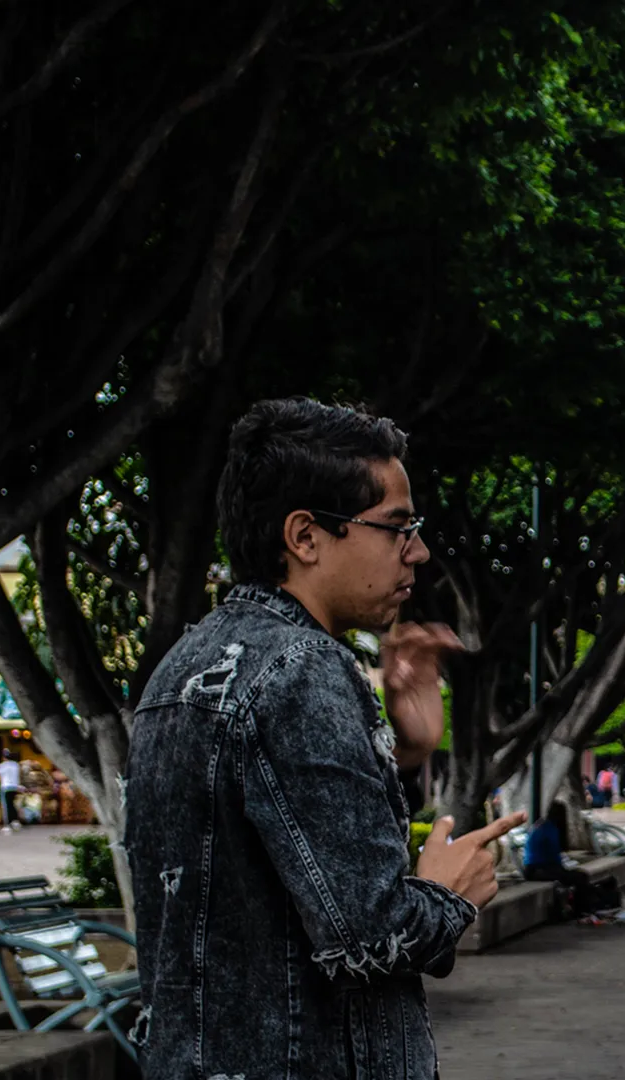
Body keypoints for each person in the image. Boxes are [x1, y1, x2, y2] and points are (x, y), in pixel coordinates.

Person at [123, 398, 525, 1080]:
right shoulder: (303, 667)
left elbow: (268, 860)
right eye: (397, 527)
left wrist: (403, 754)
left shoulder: (185, 666)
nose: (418, 552)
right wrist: (448, 894)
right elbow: (368, 937)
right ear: (305, 537)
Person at [0, 751, 22, 833]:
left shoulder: (2, 766)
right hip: (14, 787)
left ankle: (7, 825)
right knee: (12, 804)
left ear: (3, 757)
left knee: (6, 806)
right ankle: (15, 821)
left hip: (5, 787)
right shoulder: (16, 765)